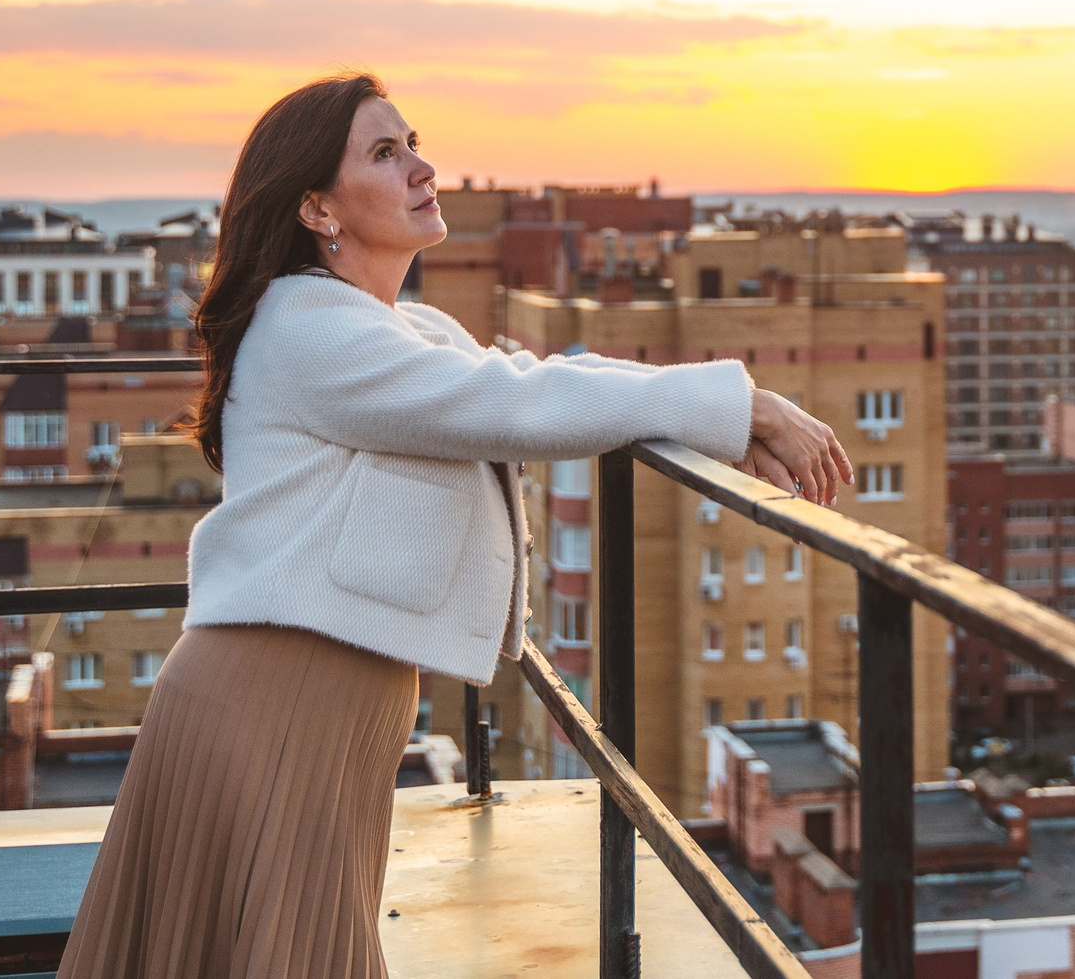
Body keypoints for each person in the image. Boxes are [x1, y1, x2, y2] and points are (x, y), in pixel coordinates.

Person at [56, 72, 850, 978]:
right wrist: (740, 402)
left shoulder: (401, 327)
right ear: (318, 205)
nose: (423, 167)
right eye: (385, 153)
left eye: (414, 143)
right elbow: (509, 402)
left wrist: (719, 406)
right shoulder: (306, 329)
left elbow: (544, 372)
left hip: (321, 699)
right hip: (275, 697)